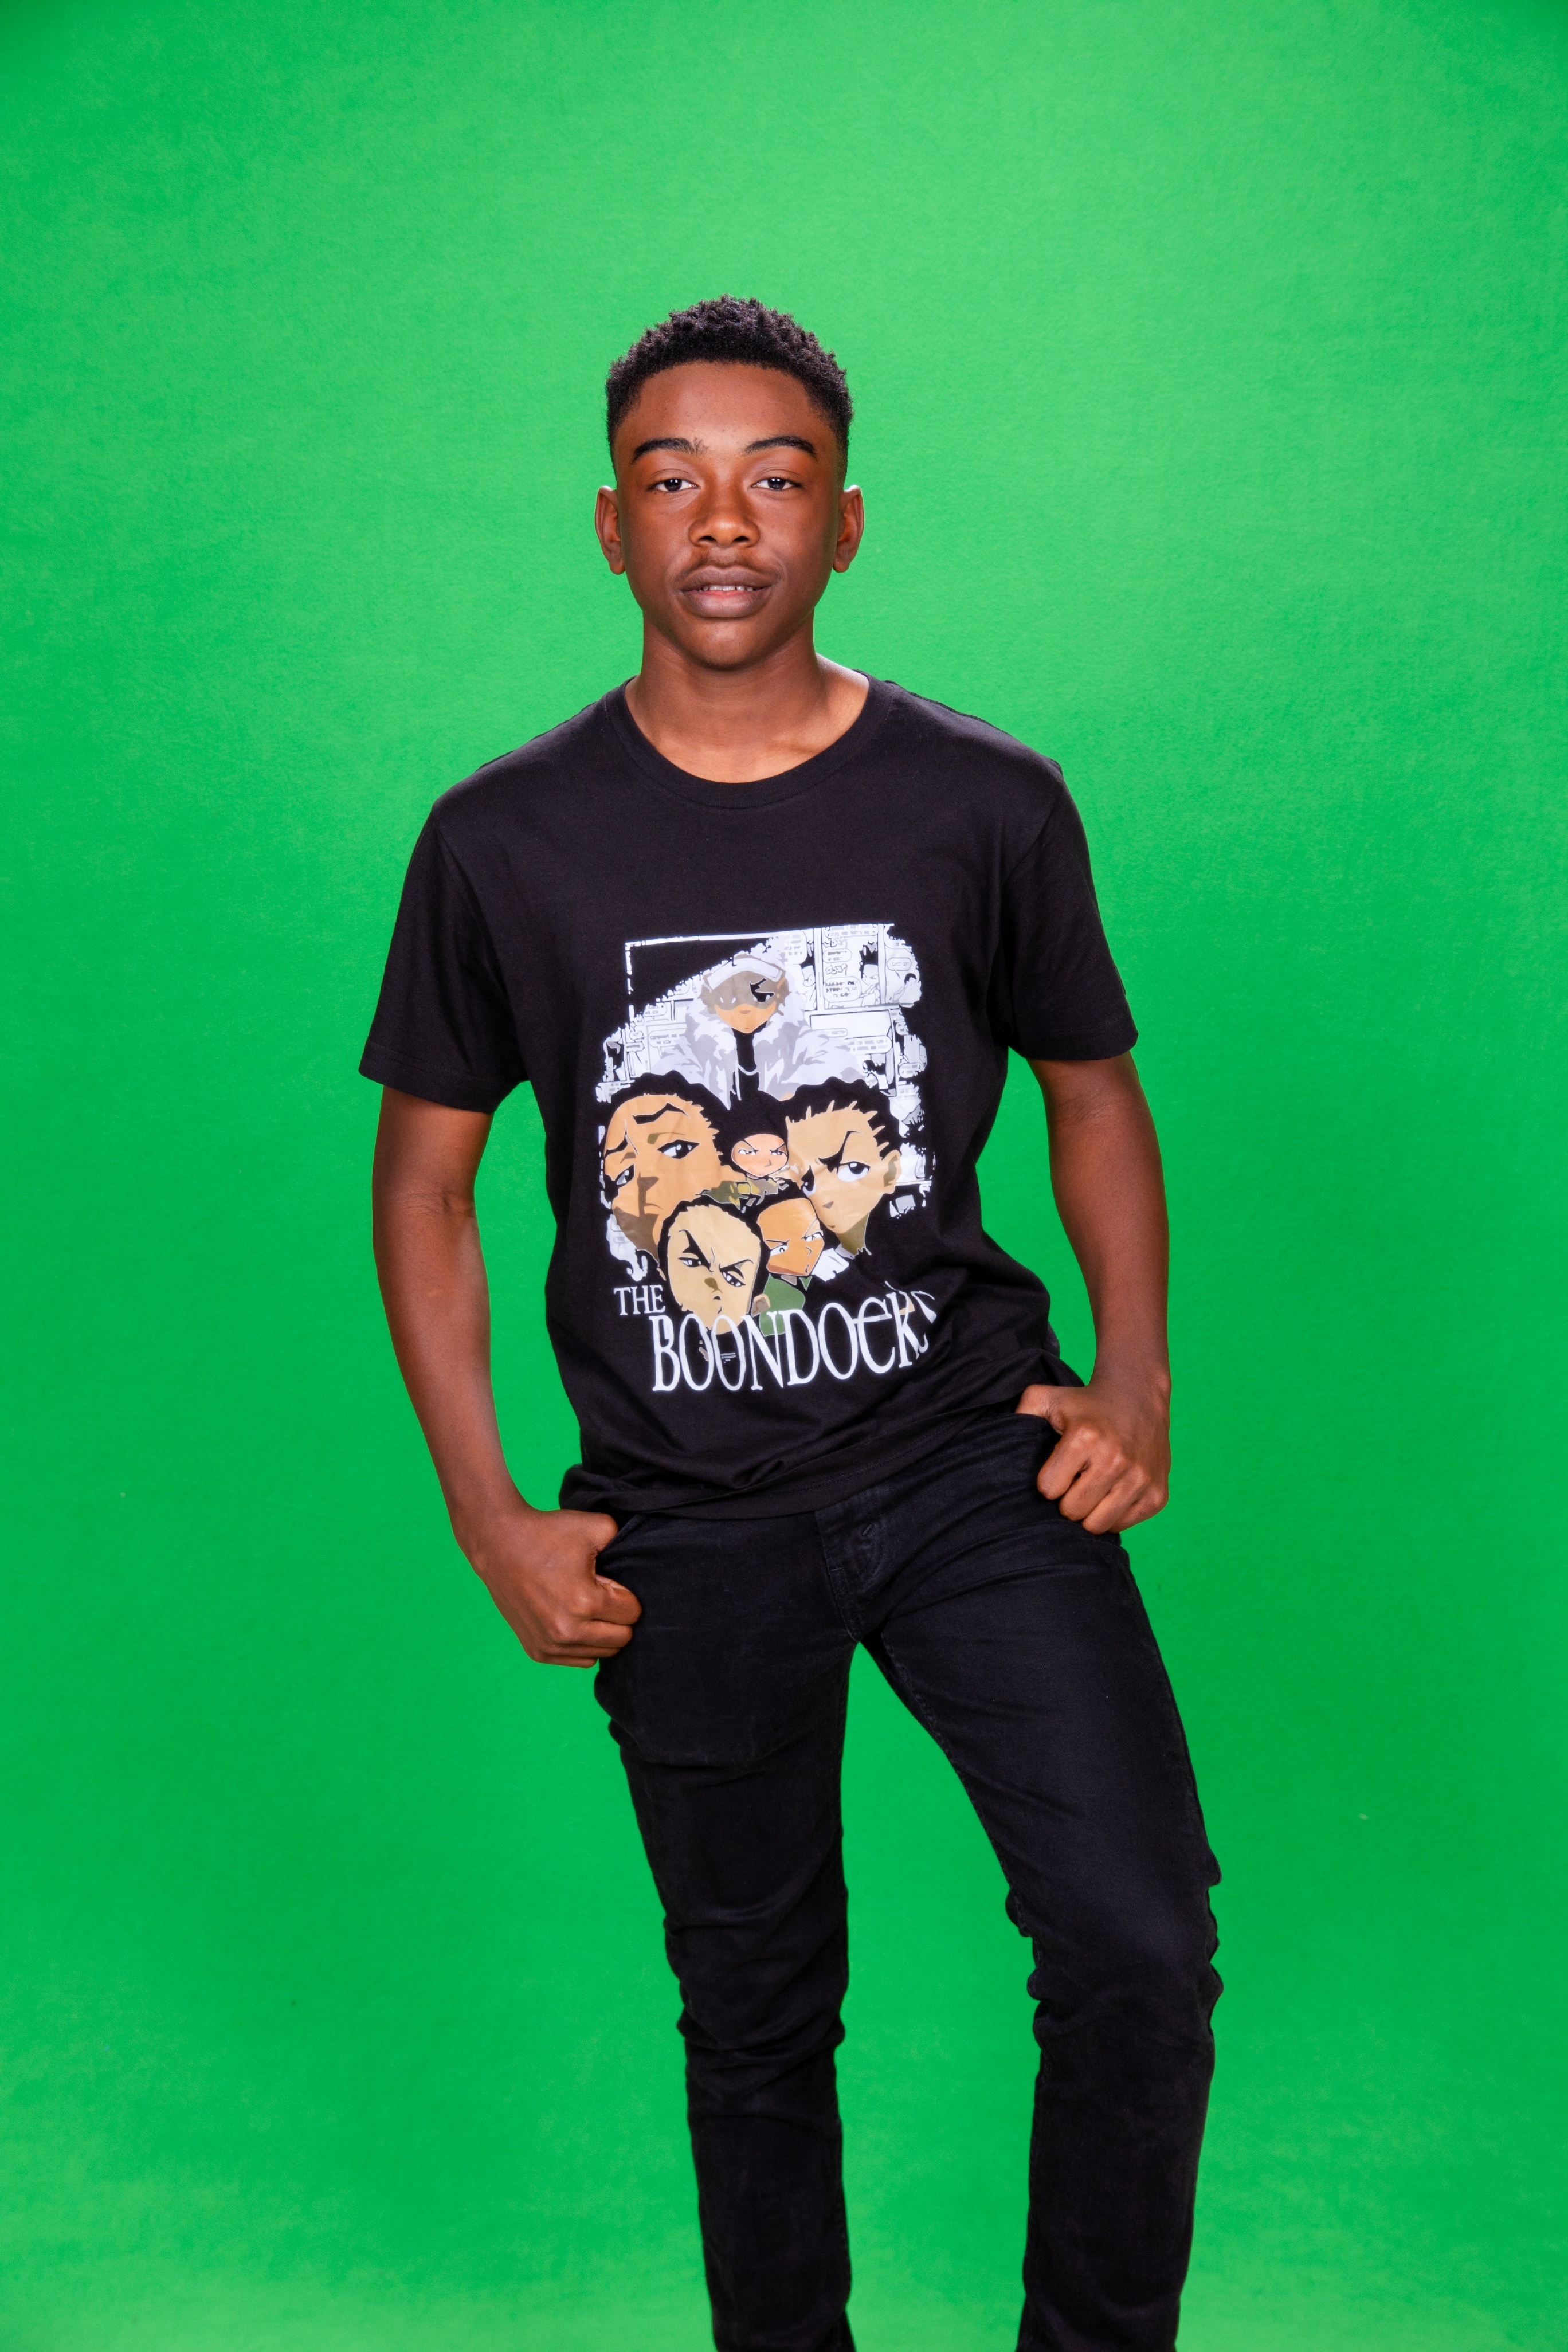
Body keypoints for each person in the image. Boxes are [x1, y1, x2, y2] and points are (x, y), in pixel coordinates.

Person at [363, 295, 1218, 2352]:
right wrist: (489, 1516)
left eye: (776, 477)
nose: (723, 520)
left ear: (846, 523)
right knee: (753, 2013)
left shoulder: (985, 802)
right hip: (682, 1512)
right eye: (672, 479)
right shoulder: (500, 840)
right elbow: (425, 1188)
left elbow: (1095, 1094)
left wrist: (1133, 1376)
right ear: (611, 525)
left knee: (1138, 1941)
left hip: (968, 1465)